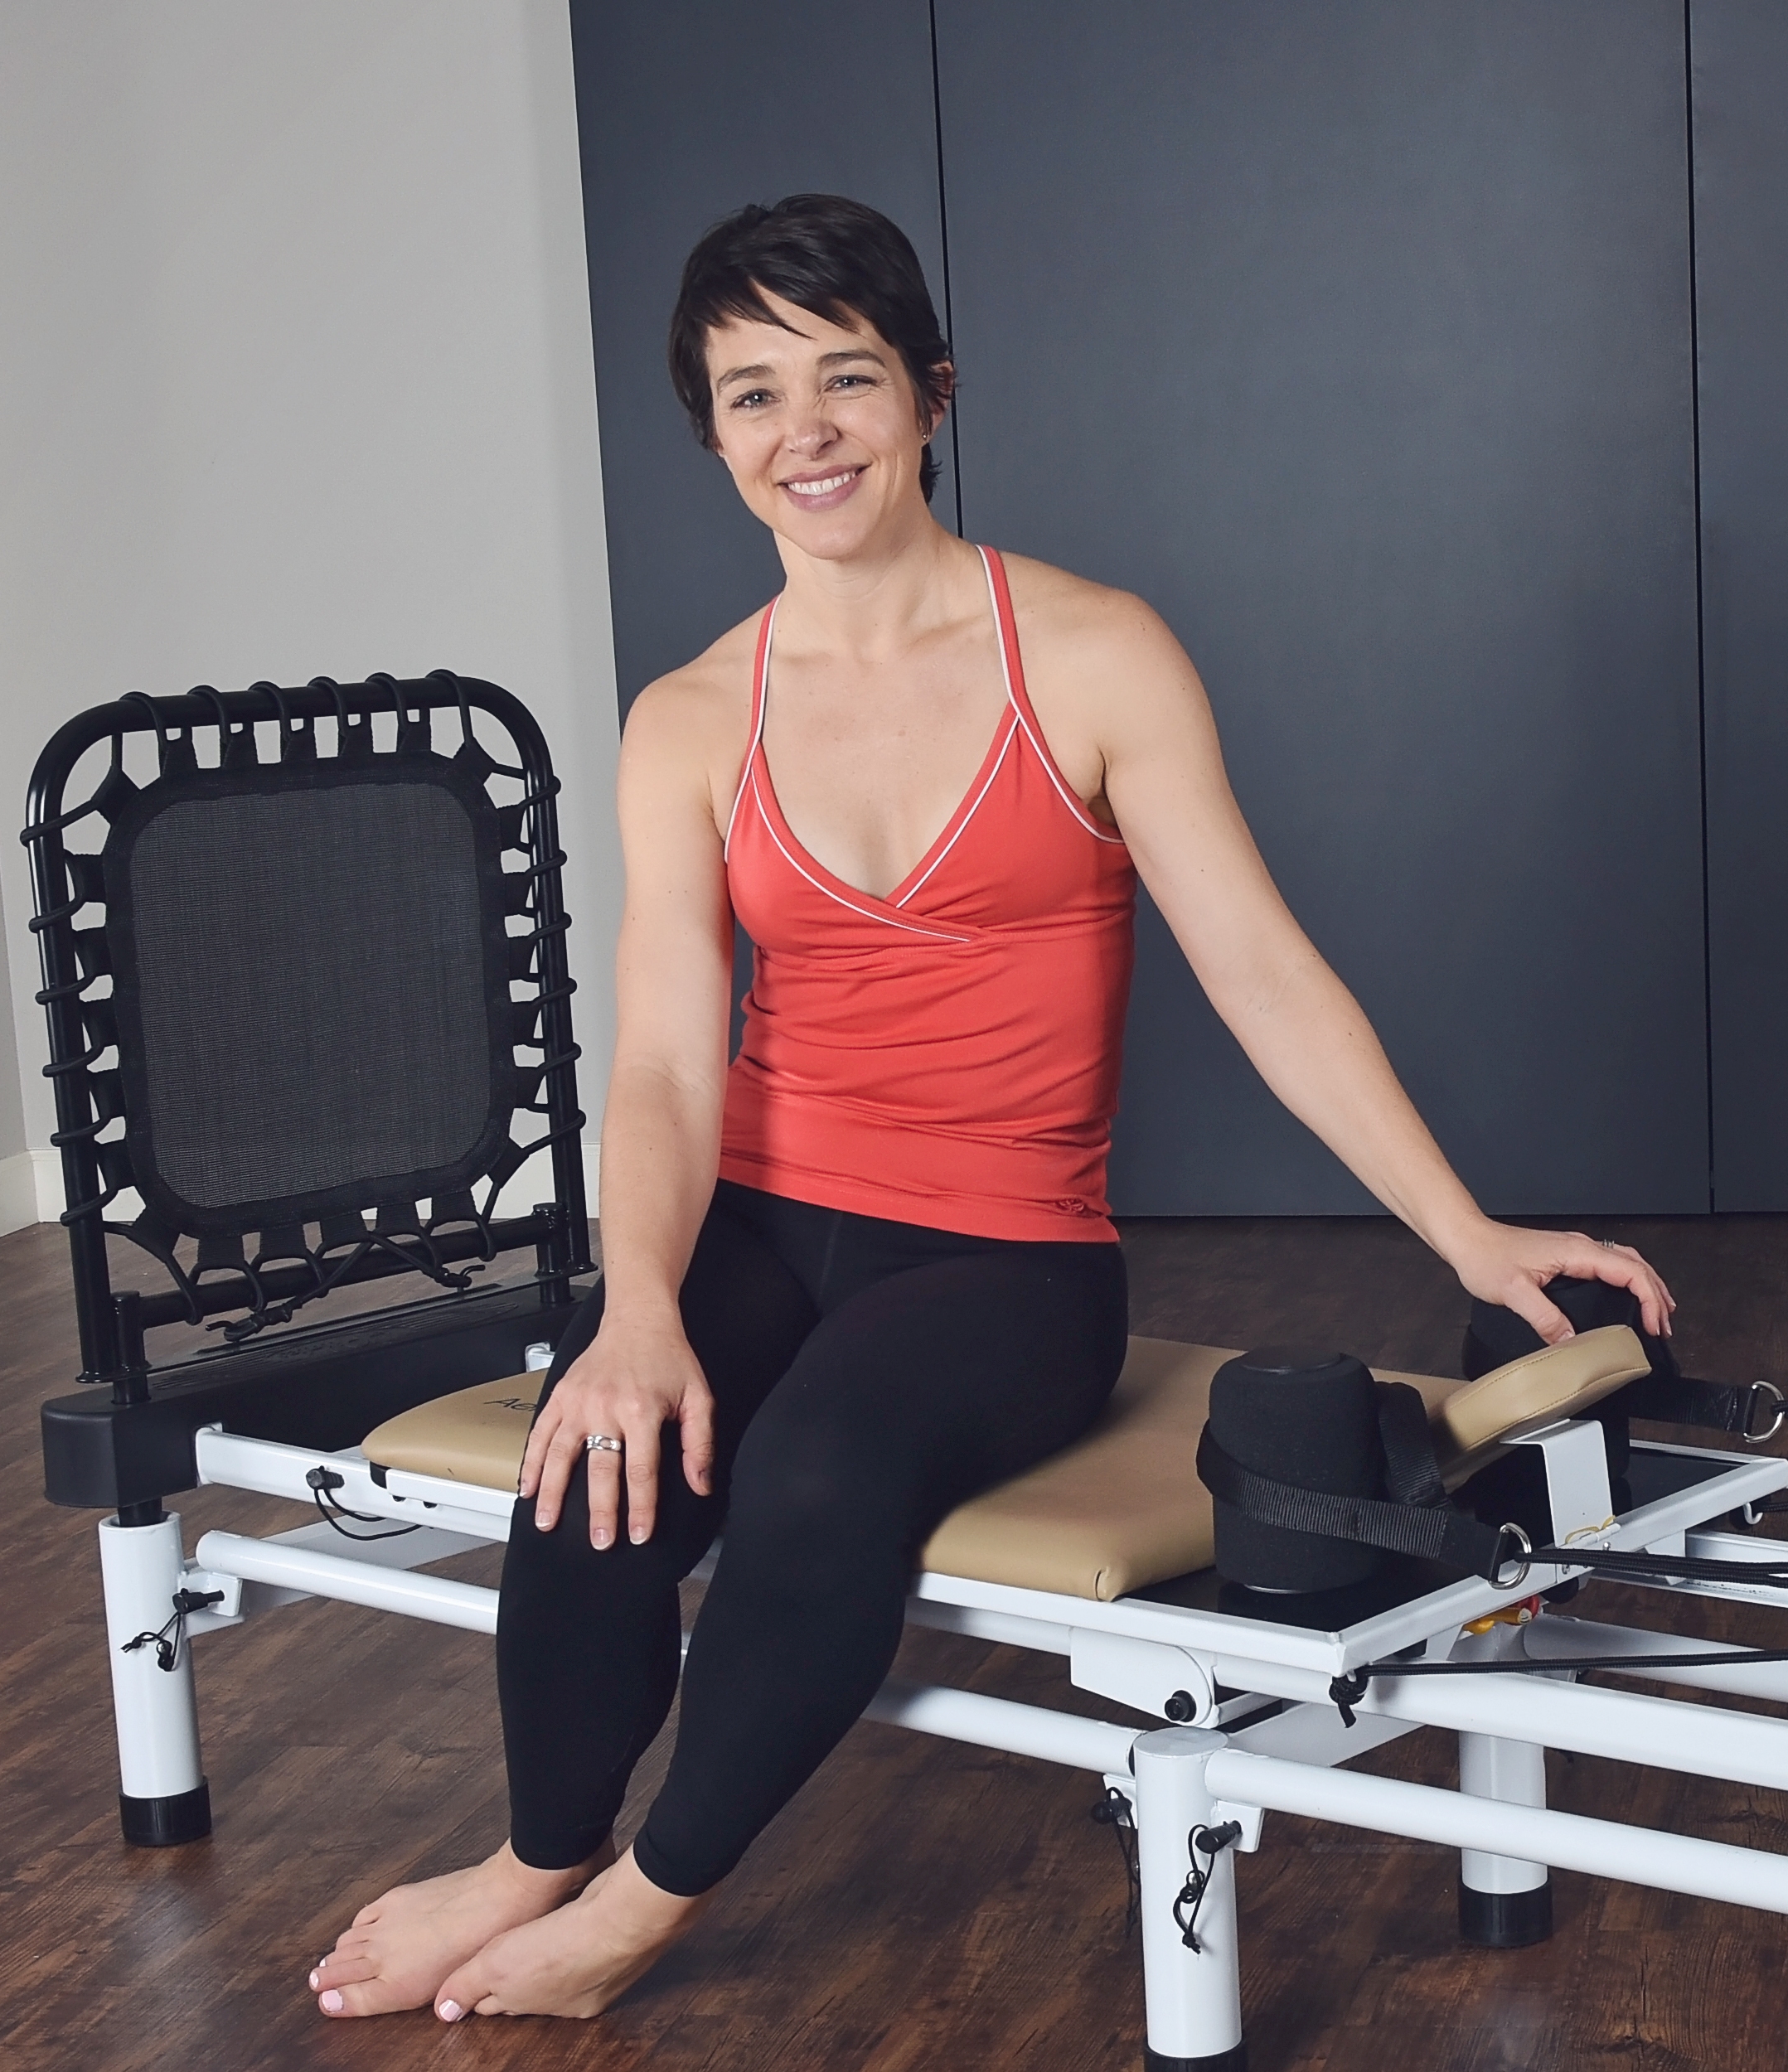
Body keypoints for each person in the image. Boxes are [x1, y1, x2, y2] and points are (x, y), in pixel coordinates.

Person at [308, 193, 1674, 2025]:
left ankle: (637, 1905)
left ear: (930, 394)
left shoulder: (1093, 655)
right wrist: (634, 1313)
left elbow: (1259, 970)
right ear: (711, 434)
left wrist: (1466, 1232)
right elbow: (663, 1059)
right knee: (596, 1450)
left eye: (846, 378)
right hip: (764, 1215)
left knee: (812, 1474)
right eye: (751, 395)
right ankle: (530, 1852)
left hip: (1004, 1254)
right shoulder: (690, 715)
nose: (804, 433)